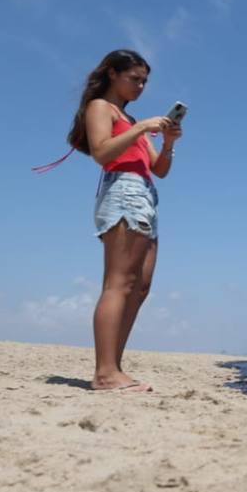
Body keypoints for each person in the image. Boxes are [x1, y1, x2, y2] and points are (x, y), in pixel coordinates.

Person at [64, 49, 182, 392]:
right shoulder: (101, 107)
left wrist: (169, 143)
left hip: (145, 194)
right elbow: (102, 151)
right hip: (124, 192)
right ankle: (104, 373)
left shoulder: (132, 123)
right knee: (118, 283)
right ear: (112, 74)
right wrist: (143, 126)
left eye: (145, 81)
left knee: (139, 287)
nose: (141, 86)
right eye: (135, 78)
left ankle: (114, 366)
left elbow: (159, 170)